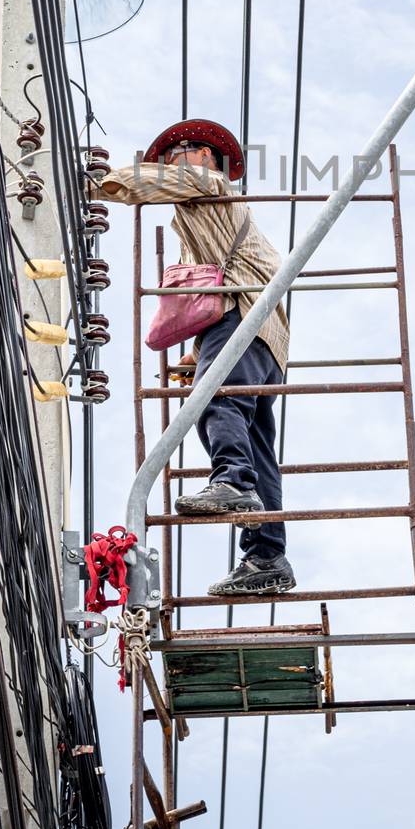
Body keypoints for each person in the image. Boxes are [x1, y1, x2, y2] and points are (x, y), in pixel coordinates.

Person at [99, 118, 295, 597]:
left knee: (216, 403)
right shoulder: (205, 220)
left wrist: (97, 183)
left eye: (178, 155)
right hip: (265, 334)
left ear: (206, 157)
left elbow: (153, 182)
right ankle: (267, 555)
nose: (170, 164)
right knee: (256, 444)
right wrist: (196, 353)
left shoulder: (208, 183)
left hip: (244, 319)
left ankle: (231, 482)